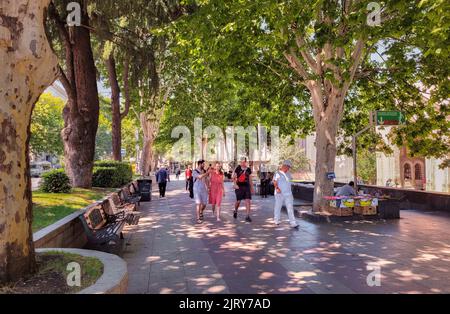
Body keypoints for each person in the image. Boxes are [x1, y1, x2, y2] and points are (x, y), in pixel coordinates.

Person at [273, 160, 299, 229]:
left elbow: (290, 181)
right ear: (284, 165)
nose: (288, 168)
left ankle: (293, 223)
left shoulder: (289, 173)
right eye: (288, 167)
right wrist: (277, 188)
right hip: (279, 193)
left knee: (290, 208)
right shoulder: (277, 173)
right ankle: (276, 220)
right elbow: (275, 181)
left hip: (288, 194)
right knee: (278, 206)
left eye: (289, 167)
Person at [232, 157, 254, 222]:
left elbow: (250, 179)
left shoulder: (248, 169)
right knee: (238, 201)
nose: (243, 163)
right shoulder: (238, 168)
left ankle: (247, 216)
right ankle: (235, 210)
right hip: (239, 187)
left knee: (248, 201)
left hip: (247, 187)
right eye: (241, 162)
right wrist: (235, 184)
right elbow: (233, 177)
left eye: (244, 162)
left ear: (245, 162)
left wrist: (252, 188)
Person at [193, 160, 209, 224]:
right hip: (196, 189)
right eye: (203, 164)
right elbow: (199, 177)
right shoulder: (194, 171)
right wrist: (207, 173)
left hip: (203, 189)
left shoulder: (204, 171)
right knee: (198, 203)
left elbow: (206, 180)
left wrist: (208, 187)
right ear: (200, 164)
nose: (204, 165)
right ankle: (198, 218)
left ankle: (201, 211)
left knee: (204, 204)